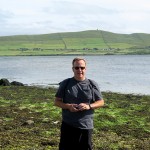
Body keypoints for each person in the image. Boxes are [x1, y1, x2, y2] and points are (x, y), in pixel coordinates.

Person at [54, 57, 104, 150]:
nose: (79, 70)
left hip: (86, 126)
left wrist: (89, 106)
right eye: (76, 68)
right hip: (68, 125)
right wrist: (68, 106)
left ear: (85, 68)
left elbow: (101, 102)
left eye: (82, 67)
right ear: (72, 69)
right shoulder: (65, 83)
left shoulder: (92, 84)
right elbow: (57, 102)